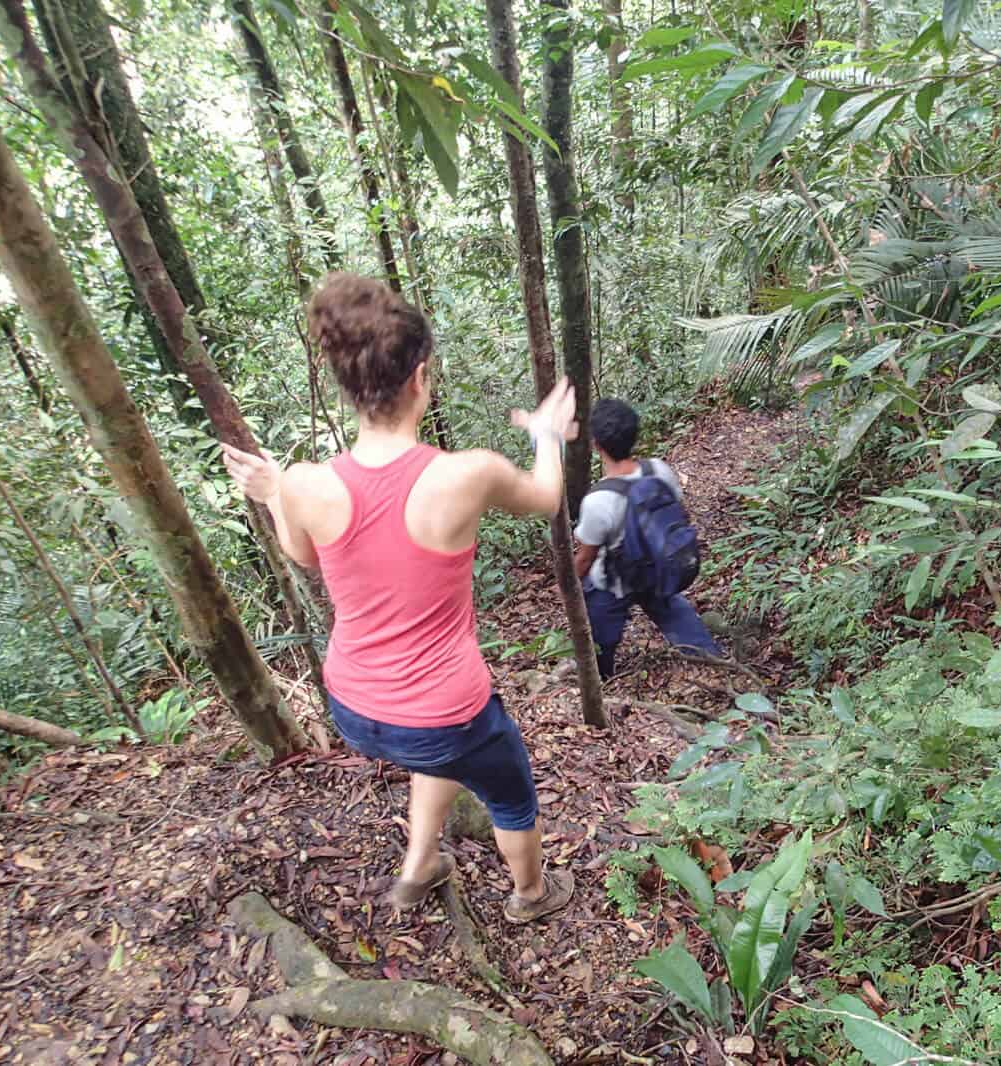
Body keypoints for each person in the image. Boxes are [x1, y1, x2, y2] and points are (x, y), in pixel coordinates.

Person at [222, 273, 575, 924]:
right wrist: (549, 435)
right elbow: (547, 498)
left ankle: (420, 863)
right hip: (443, 709)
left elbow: (305, 556)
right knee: (511, 794)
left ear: (349, 385)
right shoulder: (465, 474)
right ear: (420, 377)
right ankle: (531, 896)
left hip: (356, 709)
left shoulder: (305, 482)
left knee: (433, 748)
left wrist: (276, 492)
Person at [574, 398, 722, 680]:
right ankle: (712, 662)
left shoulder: (597, 500)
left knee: (600, 623)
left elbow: (585, 558)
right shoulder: (659, 470)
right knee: (672, 607)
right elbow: (680, 515)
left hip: (618, 580)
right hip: (659, 567)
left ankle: (601, 677)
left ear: (597, 445)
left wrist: (568, 587)